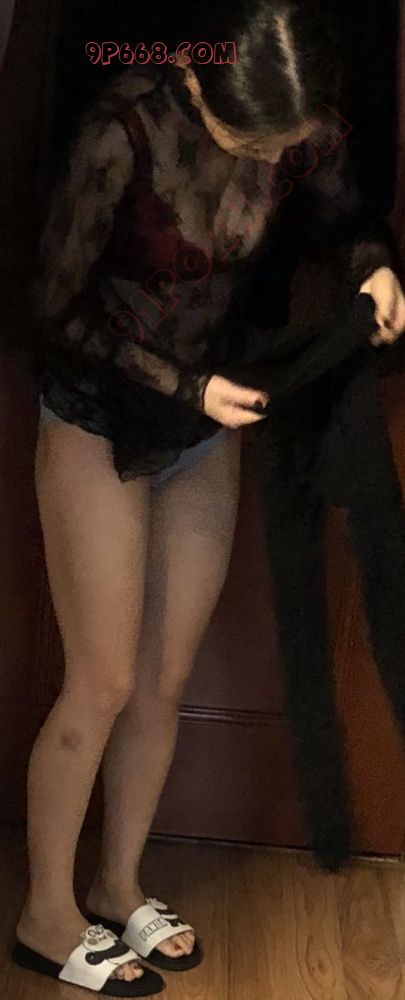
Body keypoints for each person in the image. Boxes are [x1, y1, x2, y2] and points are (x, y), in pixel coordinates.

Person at [13, 0, 405, 995]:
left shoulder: (297, 120)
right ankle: (44, 915)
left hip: (203, 424)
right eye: (252, 144)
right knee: (101, 679)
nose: (271, 162)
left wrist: (375, 268)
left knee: (163, 675)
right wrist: (188, 388)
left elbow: (348, 215)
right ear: (204, 85)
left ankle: (116, 884)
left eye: (284, 146)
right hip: (99, 413)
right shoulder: (125, 127)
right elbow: (50, 308)